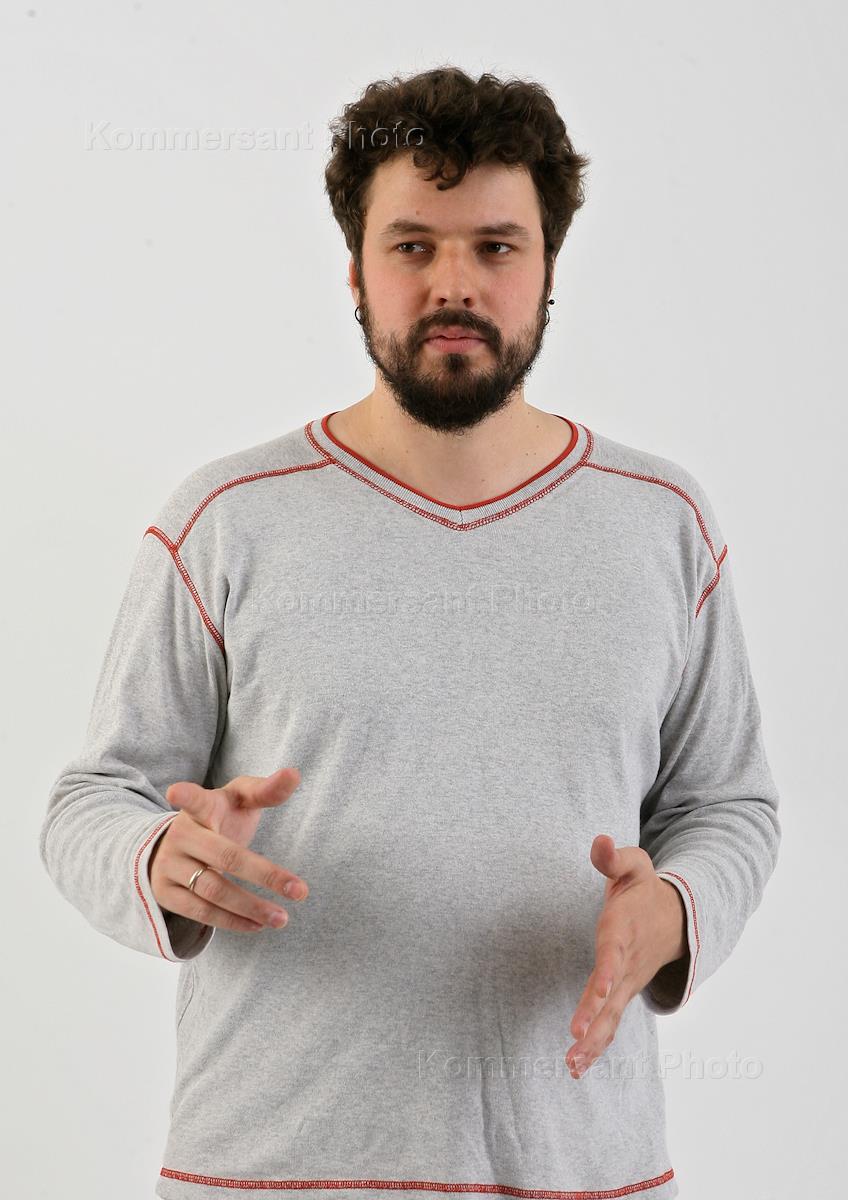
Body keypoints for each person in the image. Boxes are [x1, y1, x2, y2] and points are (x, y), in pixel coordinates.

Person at [39, 66, 781, 1200]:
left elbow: (727, 806)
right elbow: (92, 801)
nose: (454, 284)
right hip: (268, 1174)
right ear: (354, 271)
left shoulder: (662, 524)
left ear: (547, 267)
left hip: (582, 1170)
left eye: (495, 247)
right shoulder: (227, 518)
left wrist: (675, 910)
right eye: (412, 246)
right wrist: (159, 856)